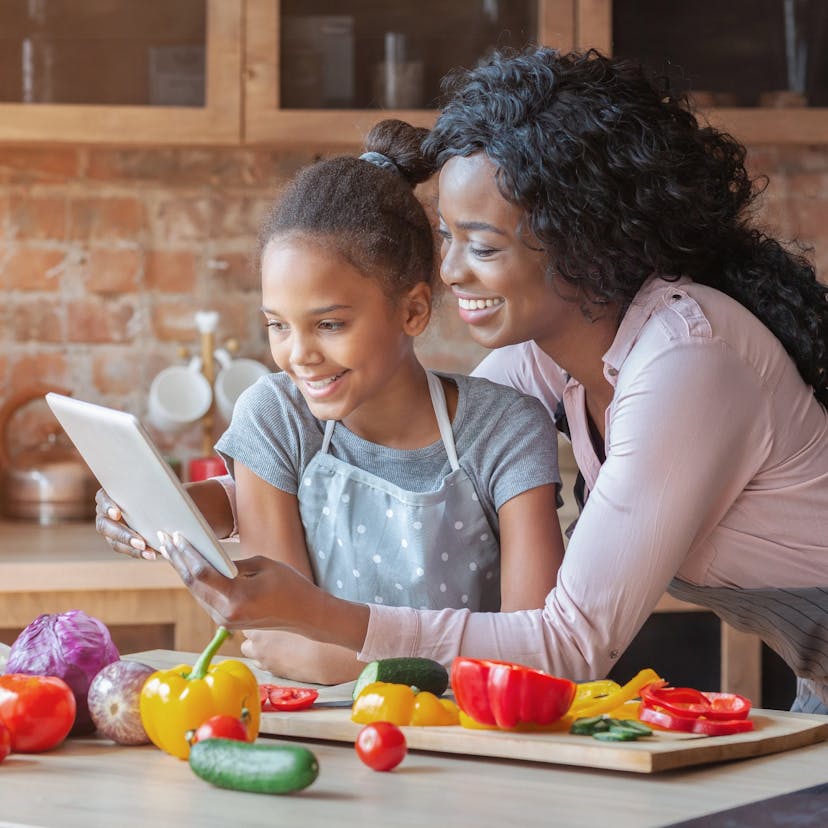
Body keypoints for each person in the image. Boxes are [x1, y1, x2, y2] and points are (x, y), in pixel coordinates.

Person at [115, 47, 828, 714]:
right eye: (448, 237)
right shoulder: (543, 357)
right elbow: (405, 462)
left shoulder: (686, 366)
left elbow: (569, 647)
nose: (450, 272)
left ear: (585, 236)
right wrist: (185, 508)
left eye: (482, 245)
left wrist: (327, 626)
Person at [97, 119, 565, 684]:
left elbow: (532, 662)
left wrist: (327, 657)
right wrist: (164, 507)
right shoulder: (276, 418)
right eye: (277, 325)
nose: (299, 355)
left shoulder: (508, 430)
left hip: (470, 739)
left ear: (413, 311)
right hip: (317, 735)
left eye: (329, 323)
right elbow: (281, 640)